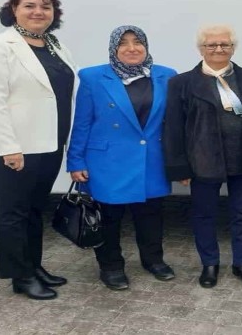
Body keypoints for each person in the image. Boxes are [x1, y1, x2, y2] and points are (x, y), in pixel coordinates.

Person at [0, 0, 75, 300]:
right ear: (14, 9)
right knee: (13, 212)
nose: (38, 12)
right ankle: (20, 276)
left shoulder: (55, 45)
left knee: (33, 209)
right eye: (29, 5)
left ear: (54, 13)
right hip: (14, 147)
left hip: (49, 144)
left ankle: (34, 266)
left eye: (46, 6)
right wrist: (9, 148)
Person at [67, 25, 177, 291]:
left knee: (151, 215)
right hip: (107, 162)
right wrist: (76, 161)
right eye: (123, 43)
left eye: (137, 42)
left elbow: (174, 123)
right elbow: (82, 122)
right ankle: (111, 266)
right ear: (113, 48)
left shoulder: (167, 75)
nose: (131, 48)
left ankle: (153, 260)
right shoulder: (93, 77)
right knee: (108, 218)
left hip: (151, 160)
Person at [163, 25, 242, 289]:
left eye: (225, 44)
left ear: (233, 48)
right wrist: (179, 166)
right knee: (204, 214)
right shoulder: (181, 83)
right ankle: (210, 264)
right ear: (201, 49)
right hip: (202, 160)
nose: (219, 49)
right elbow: (173, 127)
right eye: (212, 45)